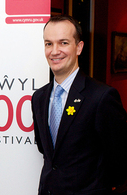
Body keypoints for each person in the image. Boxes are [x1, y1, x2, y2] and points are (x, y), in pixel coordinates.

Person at [31, 15, 127, 195]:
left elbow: (120, 157)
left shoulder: (101, 97)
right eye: (48, 44)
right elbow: (46, 150)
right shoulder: (39, 97)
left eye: (64, 43)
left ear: (79, 47)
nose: (55, 51)